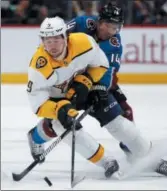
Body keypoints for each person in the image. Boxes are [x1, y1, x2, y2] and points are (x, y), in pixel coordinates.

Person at [67, 2, 167, 177]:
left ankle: (139, 153)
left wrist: (98, 89)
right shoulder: (82, 24)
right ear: (98, 21)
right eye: (107, 25)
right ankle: (36, 138)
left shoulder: (114, 42)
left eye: (115, 27)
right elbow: (55, 39)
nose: (111, 31)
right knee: (57, 119)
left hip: (95, 80)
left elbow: (108, 71)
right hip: (67, 80)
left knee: (124, 114)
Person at [26, 16, 121, 178]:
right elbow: (38, 104)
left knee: (108, 110)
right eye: (47, 41)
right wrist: (59, 109)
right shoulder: (38, 66)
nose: (52, 45)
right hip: (53, 96)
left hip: (77, 84)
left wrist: (86, 81)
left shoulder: (83, 42)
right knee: (64, 126)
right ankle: (106, 160)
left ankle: (36, 135)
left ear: (65, 36)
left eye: (56, 39)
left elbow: (102, 65)